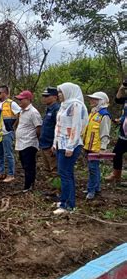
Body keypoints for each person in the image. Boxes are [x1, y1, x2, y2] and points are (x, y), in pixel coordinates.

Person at [52, 83, 88, 215]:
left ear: (68, 92)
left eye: (61, 92)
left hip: (70, 146)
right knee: (66, 174)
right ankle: (67, 201)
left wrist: (71, 146)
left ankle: (66, 205)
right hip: (61, 144)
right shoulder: (64, 105)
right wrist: (55, 143)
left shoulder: (76, 105)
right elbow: (59, 125)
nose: (59, 95)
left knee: (65, 175)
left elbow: (76, 127)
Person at [82, 92, 111, 200]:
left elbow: (105, 133)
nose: (91, 101)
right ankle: (96, 188)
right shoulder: (93, 113)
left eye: (94, 99)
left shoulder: (104, 115)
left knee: (93, 169)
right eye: (91, 99)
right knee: (93, 169)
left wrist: (103, 148)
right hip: (88, 146)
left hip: (96, 148)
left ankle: (91, 190)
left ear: (100, 101)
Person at [14, 90, 43, 192]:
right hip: (22, 143)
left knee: (29, 166)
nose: (19, 102)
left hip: (29, 143)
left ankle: (29, 186)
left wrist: (35, 140)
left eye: (21, 99)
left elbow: (38, 128)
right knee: (24, 165)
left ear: (28, 99)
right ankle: (28, 185)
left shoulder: (33, 112)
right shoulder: (22, 111)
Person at [0, 85, 21, 183]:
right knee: (0, 154)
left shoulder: (12, 103)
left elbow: (19, 114)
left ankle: (11, 174)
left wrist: (14, 126)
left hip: (7, 133)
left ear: (5, 93)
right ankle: (1, 172)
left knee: (9, 154)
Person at [105, 81, 127, 183]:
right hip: (124, 134)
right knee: (117, 153)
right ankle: (116, 174)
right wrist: (122, 88)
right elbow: (118, 100)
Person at [39, 87, 60, 176]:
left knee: (54, 169)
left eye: (47, 96)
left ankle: (56, 187)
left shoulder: (57, 109)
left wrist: (54, 144)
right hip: (44, 143)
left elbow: (58, 127)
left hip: (51, 144)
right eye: (44, 96)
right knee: (47, 169)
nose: (45, 98)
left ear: (55, 97)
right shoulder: (48, 109)